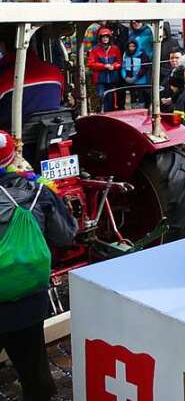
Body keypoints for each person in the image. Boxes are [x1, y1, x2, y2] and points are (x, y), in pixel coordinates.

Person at [0, 131, 77, 401]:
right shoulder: (39, 192)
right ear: (12, 158)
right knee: (35, 374)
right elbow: (65, 236)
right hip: (30, 300)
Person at [87, 27, 122, 112]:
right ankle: (101, 113)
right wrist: (104, 66)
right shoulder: (95, 50)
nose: (105, 38)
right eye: (103, 37)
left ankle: (110, 114)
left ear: (110, 38)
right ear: (100, 38)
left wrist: (114, 66)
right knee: (101, 96)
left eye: (107, 36)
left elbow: (120, 62)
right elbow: (90, 64)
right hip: (100, 79)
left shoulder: (115, 49)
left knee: (111, 99)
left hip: (112, 79)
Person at [120, 38, 150, 109]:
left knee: (141, 96)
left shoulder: (142, 54)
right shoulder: (125, 55)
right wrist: (125, 77)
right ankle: (133, 110)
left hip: (141, 81)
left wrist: (136, 77)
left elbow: (144, 67)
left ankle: (142, 110)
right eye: (130, 46)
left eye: (133, 46)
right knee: (132, 96)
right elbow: (123, 67)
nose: (131, 48)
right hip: (129, 81)